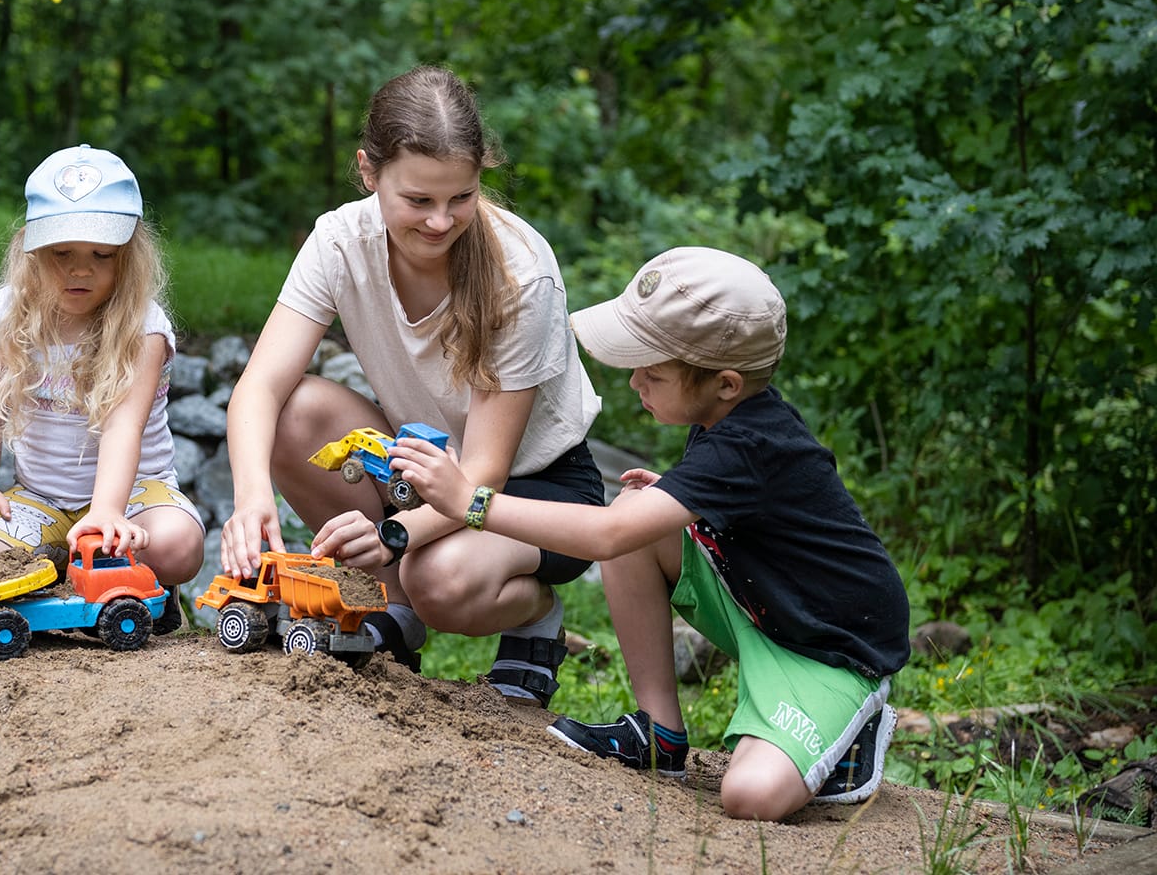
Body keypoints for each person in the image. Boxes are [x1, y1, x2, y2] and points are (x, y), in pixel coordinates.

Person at [389, 247, 911, 819]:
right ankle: (660, 734)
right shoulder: (727, 418)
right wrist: (672, 503)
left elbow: (606, 536)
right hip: (765, 605)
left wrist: (470, 502)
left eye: (653, 372)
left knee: (749, 797)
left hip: (828, 650)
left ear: (727, 384)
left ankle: (857, 723)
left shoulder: (750, 443)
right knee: (638, 509)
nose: (635, 380)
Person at [221, 65, 604, 703]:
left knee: (442, 579)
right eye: (418, 200)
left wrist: (391, 537)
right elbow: (259, 386)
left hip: (535, 487)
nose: (441, 221)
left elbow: (483, 471)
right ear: (369, 172)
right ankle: (395, 610)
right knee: (296, 412)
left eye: (461, 197)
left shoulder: (521, 273)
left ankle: (535, 618)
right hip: (420, 464)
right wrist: (251, 496)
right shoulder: (340, 242)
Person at [0, 145, 205, 626]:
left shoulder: (142, 327)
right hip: (41, 498)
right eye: (61, 253)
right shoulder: (7, 314)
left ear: (128, 257)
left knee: (178, 544)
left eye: (101, 255)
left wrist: (107, 511)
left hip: (135, 496)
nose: (80, 269)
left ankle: (137, 582)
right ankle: (70, 575)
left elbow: (123, 426)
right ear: (31, 250)